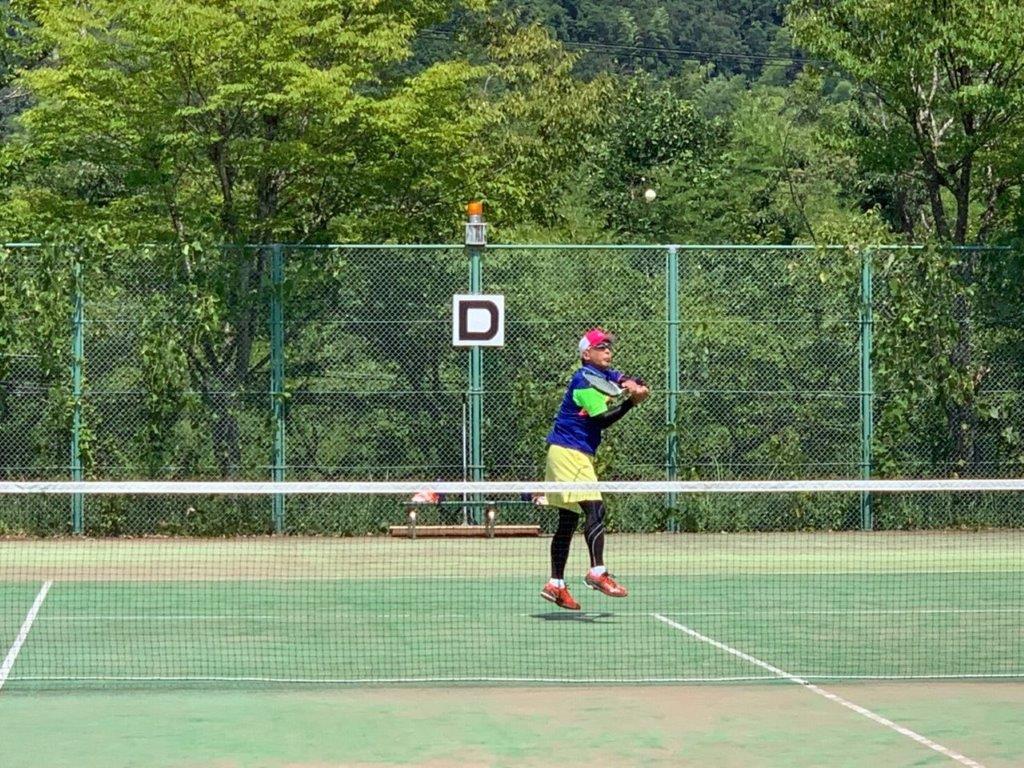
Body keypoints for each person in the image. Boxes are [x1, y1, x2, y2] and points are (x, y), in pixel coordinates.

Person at [540, 328, 649, 610]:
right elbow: (601, 420)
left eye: (609, 347)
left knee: (568, 520)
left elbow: (619, 377)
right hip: (570, 453)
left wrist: (633, 383)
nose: (608, 351)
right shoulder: (584, 381)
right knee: (595, 509)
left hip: (565, 453)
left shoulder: (601, 374)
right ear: (587, 354)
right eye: (602, 347)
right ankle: (597, 572)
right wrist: (631, 403)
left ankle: (556, 584)